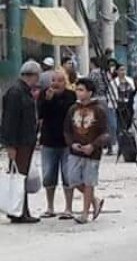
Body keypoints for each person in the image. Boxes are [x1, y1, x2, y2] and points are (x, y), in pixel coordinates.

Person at [62, 76, 109, 224]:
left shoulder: (99, 110)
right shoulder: (72, 109)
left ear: (90, 92)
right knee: (72, 179)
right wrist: (71, 144)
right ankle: (95, 201)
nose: (78, 92)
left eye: (81, 90)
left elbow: (106, 133)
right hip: (75, 151)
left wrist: (93, 146)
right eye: (77, 89)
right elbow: (67, 130)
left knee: (89, 182)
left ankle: (85, 213)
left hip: (92, 153)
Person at [1, 61, 42, 223]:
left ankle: (19, 209)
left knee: (21, 177)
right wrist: (9, 145)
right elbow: (9, 120)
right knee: (18, 178)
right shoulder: (16, 93)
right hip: (19, 142)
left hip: (26, 141)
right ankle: (19, 211)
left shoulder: (24, 91)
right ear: (32, 75)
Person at [37, 70, 77, 218]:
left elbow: (69, 114)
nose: (56, 83)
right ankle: (50, 207)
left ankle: (68, 208)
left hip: (66, 142)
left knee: (68, 175)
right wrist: (47, 100)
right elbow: (41, 114)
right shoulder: (44, 94)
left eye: (59, 80)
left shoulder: (71, 96)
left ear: (65, 82)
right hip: (48, 140)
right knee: (48, 175)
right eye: (53, 80)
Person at [108, 64, 134, 155]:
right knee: (119, 127)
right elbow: (111, 96)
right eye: (121, 70)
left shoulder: (130, 81)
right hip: (118, 107)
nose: (123, 72)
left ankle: (127, 145)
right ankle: (120, 146)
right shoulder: (113, 83)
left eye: (124, 70)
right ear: (117, 71)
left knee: (127, 126)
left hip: (128, 106)